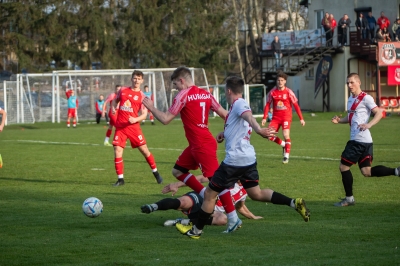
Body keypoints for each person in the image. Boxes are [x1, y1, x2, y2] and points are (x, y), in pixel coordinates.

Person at [176, 76, 310, 239]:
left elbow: (248, 117)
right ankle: (293, 202)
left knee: (210, 193)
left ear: (229, 91)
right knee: (256, 194)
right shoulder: (234, 107)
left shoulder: (239, 104)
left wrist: (259, 129)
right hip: (248, 159)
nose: (225, 93)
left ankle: (196, 231)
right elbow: (239, 124)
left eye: (225, 90)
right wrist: (224, 133)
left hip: (235, 161)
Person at [142, 66, 240, 233]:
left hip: (202, 145)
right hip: (197, 144)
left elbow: (166, 119)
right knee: (178, 171)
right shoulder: (207, 94)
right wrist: (227, 131)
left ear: (182, 80)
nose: (175, 88)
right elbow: (225, 114)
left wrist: (151, 107)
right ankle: (203, 194)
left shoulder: (183, 94)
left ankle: (233, 219)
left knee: (217, 182)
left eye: (175, 84)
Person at [331, 73, 400, 207]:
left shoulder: (366, 98)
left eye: (352, 82)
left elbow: (379, 113)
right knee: (366, 172)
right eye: (348, 83)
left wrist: (369, 124)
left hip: (359, 140)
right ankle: (396, 171)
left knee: (343, 167)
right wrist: (339, 121)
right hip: (365, 141)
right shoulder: (350, 99)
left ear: (359, 82)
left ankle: (349, 199)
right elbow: (350, 118)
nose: (349, 85)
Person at [111, 70, 163, 186]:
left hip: (134, 128)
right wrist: (113, 108)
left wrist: (135, 119)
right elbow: (115, 101)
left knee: (145, 151)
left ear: (142, 81)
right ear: (131, 79)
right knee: (117, 150)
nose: (136, 81)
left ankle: (156, 173)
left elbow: (144, 114)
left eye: (139, 79)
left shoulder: (142, 96)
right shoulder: (123, 91)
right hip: (121, 127)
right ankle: (120, 179)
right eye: (135, 78)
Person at [141, 180, 263, 227]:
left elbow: (240, 208)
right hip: (202, 198)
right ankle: (153, 206)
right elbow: (200, 179)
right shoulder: (225, 175)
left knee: (223, 219)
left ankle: (182, 222)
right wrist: (178, 184)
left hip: (211, 212)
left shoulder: (245, 192)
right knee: (182, 202)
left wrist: (253, 216)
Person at [261, 71, 305, 164]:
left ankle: (286, 156)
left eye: (282, 80)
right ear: (276, 81)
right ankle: (284, 145)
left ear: (285, 81)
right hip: (275, 118)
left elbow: (296, 105)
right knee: (269, 136)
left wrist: (301, 118)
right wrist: (265, 117)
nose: (280, 82)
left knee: (286, 135)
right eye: (278, 80)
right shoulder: (272, 92)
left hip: (286, 117)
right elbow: (268, 105)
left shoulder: (289, 92)